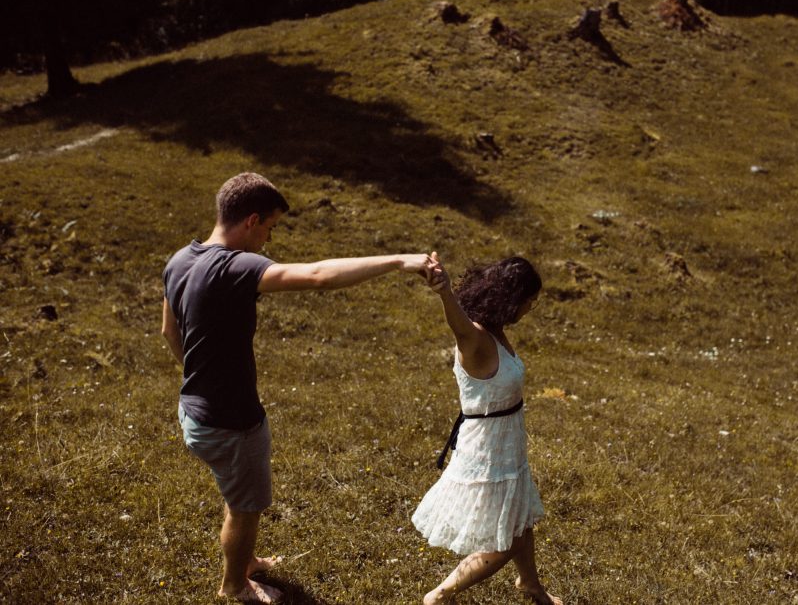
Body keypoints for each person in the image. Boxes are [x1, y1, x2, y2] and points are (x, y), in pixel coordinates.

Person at [161, 172, 434, 604]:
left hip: (193, 409)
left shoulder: (180, 259)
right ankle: (235, 584)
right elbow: (319, 276)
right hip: (230, 421)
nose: (269, 239)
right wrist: (401, 260)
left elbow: (168, 333)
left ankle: (246, 562)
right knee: (245, 506)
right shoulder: (236, 266)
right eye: (270, 227)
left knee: (236, 492)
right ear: (251, 220)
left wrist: (200, 376)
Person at [412, 253, 562, 605]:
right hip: (487, 449)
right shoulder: (476, 337)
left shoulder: (496, 330)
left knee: (520, 515)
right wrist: (445, 292)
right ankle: (440, 595)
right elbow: (458, 325)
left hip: (506, 439)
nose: (530, 307)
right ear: (513, 298)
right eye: (529, 300)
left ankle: (530, 584)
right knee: (504, 540)